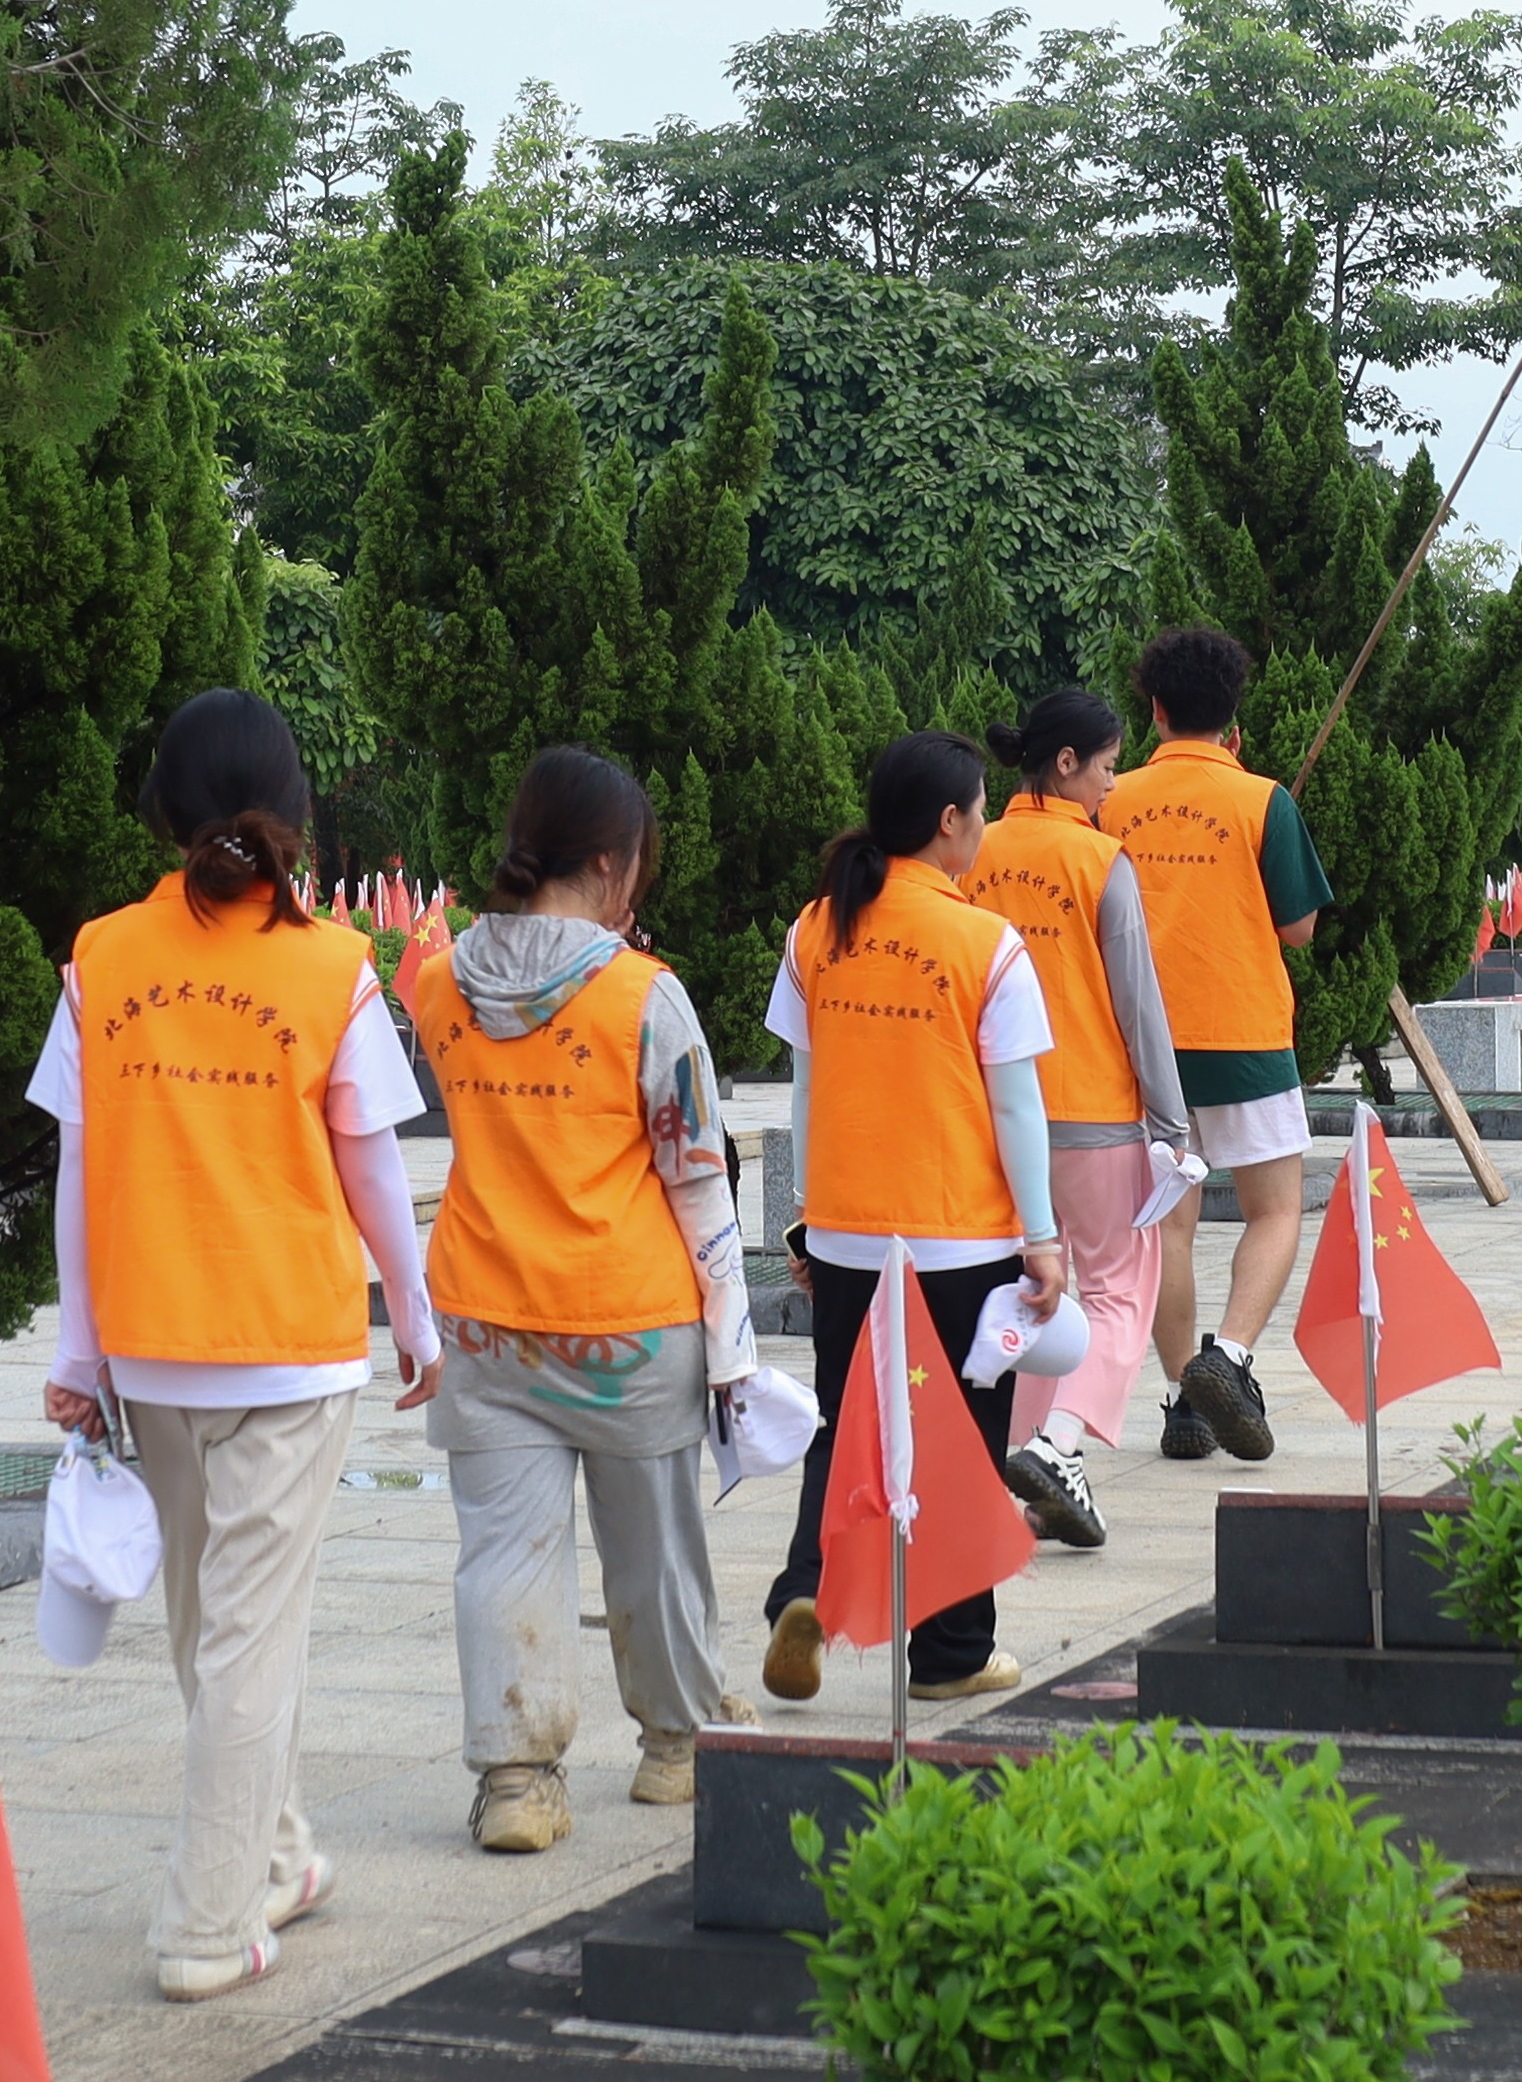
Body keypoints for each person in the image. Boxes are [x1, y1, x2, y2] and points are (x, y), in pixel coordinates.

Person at [31, 689, 438, 2005]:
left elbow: (76, 1170)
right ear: (295, 810)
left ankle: (277, 1854)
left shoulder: (101, 957)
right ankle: (207, 1925)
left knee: (210, 1628)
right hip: (288, 1345)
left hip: (153, 1344)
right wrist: (414, 1313)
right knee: (244, 1638)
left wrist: (80, 1351)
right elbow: (372, 1165)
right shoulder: (329, 967)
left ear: (161, 809)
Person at [411, 748, 759, 1853]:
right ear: (612, 866)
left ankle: (517, 1780)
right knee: (653, 1555)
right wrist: (733, 1348)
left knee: (500, 1557)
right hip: (627, 1325)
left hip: (482, 1320)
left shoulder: (437, 984)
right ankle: (677, 1746)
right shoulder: (642, 996)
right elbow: (697, 1179)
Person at [760, 729, 1064, 1703]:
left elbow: (805, 1087)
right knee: (959, 1439)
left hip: (847, 1233)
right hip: (957, 1240)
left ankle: (803, 1590)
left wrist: (805, 1216)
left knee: (843, 1422)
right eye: (978, 811)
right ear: (947, 823)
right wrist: (1041, 1237)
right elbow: (1015, 1108)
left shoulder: (816, 929)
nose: (981, 827)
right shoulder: (986, 944)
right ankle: (949, 1654)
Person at [1099, 626, 1333, 1463]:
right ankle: (1227, 1357)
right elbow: (1299, 928)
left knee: (1168, 1229)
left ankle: (1181, 1404)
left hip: (1136, 1047)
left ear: (1154, 711)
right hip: (1242, 1035)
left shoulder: (1109, 800)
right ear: (1234, 718)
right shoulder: (1263, 800)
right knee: (1275, 1210)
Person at [968, 691, 1188, 1549]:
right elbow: (1139, 1003)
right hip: (1091, 1108)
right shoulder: (1098, 859)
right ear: (1065, 764)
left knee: (1037, 1288)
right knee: (1119, 1288)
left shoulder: (973, 849)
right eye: (1105, 766)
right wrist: (1170, 1121)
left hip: (994, 1111)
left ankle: (1030, 1469)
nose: (1111, 783)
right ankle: (1059, 1444)